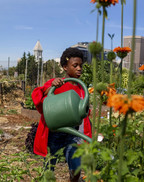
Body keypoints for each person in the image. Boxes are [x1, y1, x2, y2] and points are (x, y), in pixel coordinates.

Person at [31, 47, 92, 182]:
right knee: (49, 167)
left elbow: (84, 111)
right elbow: (38, 94)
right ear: (65, 67)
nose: (79, 69)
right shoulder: (57, 84)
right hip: (55, 133)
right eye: (75, 65)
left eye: (80, 65)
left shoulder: (80, 87)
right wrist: (50, 88)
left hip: (72, 133)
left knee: (76, 168)